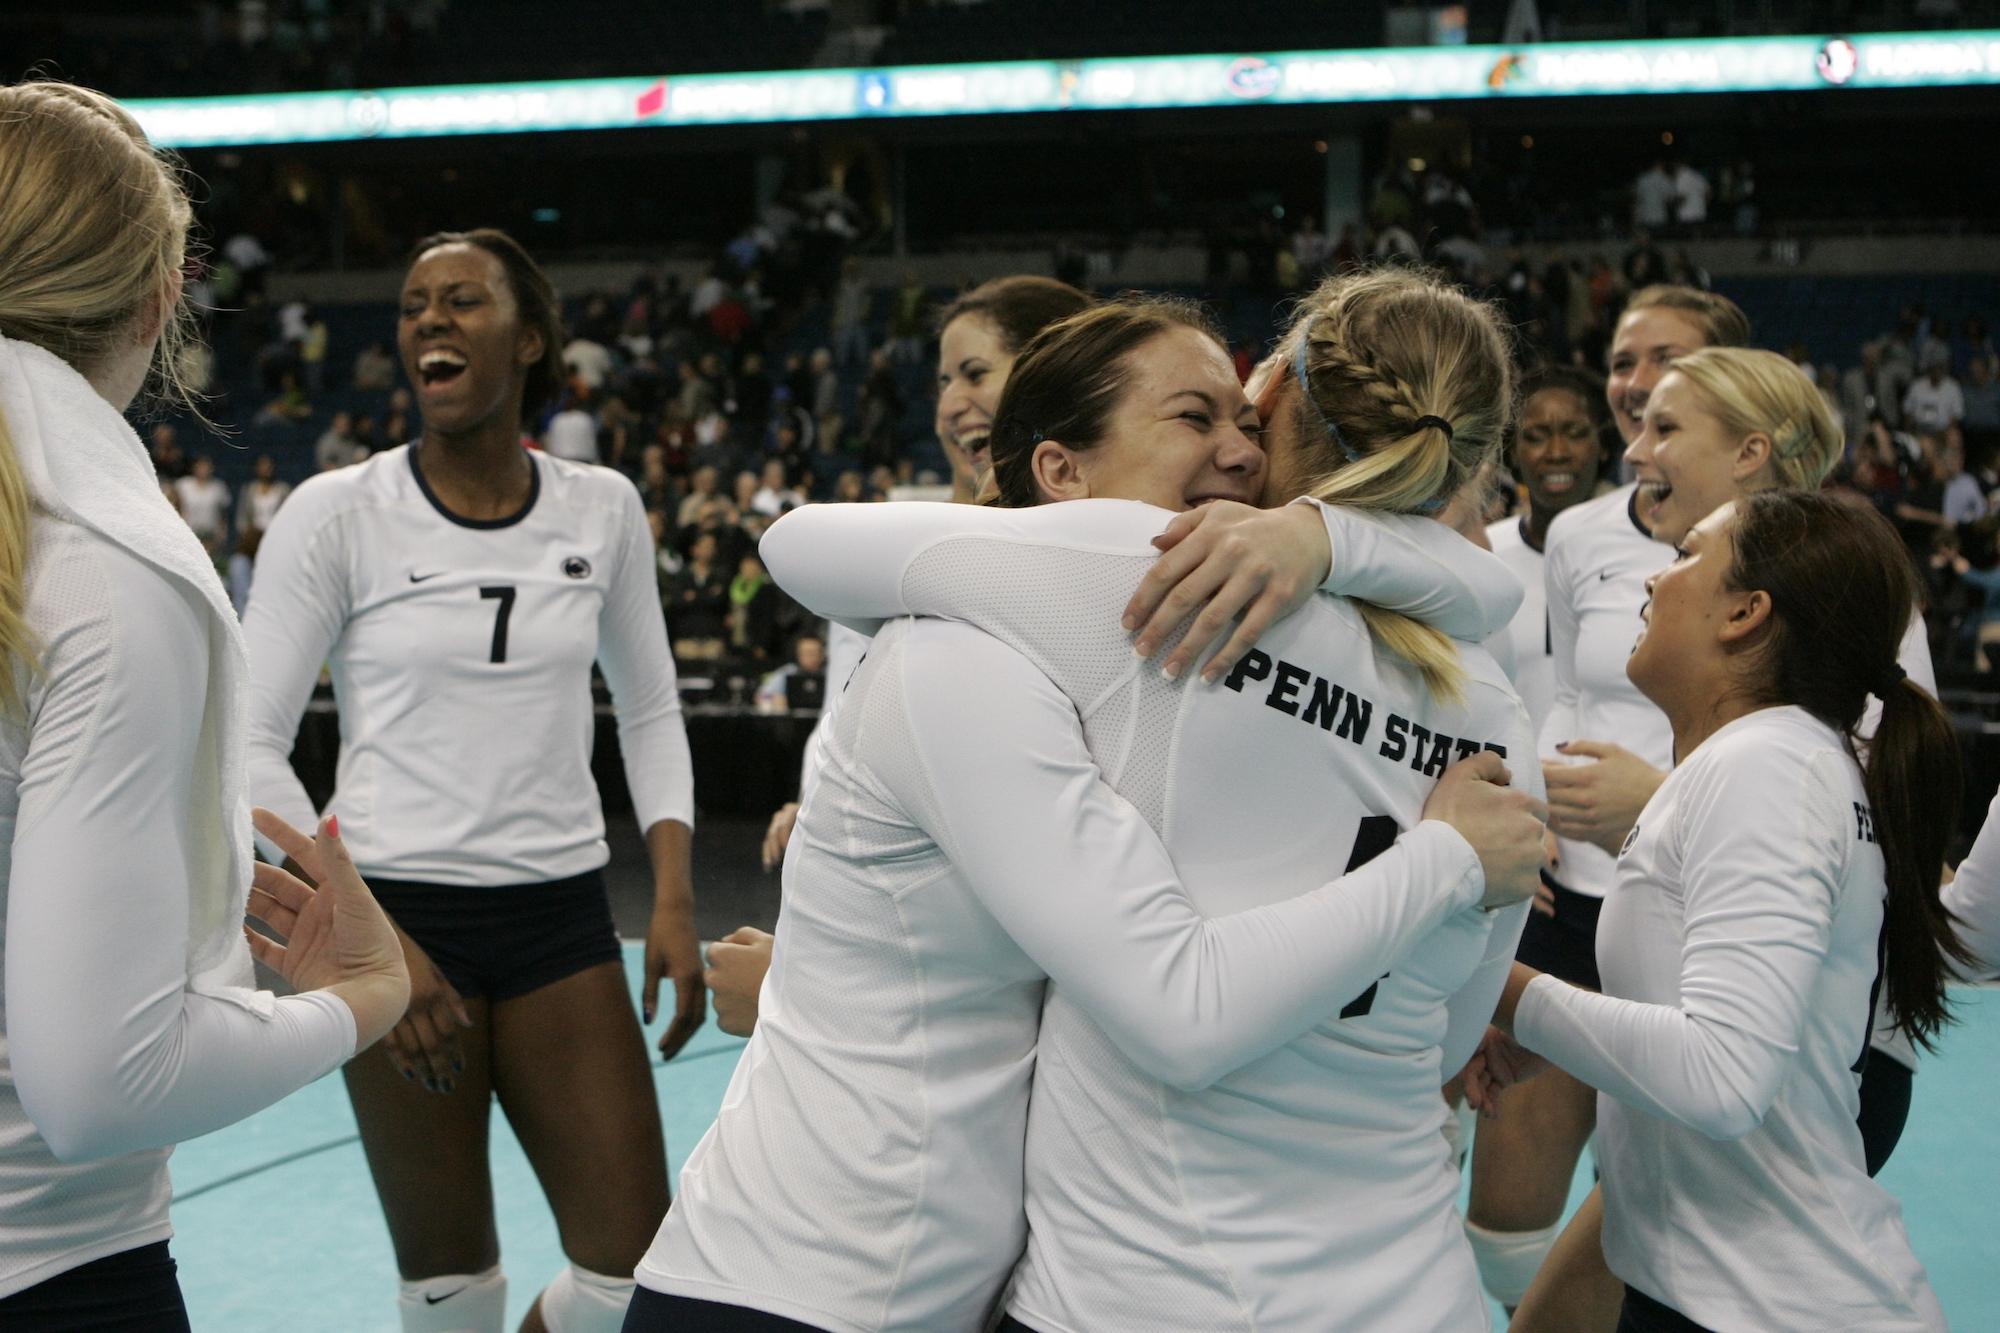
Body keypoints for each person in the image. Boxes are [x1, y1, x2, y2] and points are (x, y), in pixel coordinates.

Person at [647, 278, 1547, 1332]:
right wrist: (1333, 540)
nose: (1235, 452)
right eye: (1197, 417)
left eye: (1243, 416)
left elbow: (799, 544)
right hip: (1405, 1285)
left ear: (1285, 398)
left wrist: (1321, 541)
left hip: (1130, 1287)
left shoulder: (1147, 590)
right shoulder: (1499, 713)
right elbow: (1447, 1040)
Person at [0, 77, 408, 1325]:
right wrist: (361, 999)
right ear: (159, 299)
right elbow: (100, 1088)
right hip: (50, 1269)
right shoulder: (107, 573)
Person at [244, 228, 703, 1333]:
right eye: (413, 306)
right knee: (448, 1284)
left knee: (632, 1280)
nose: (429, 322)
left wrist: (675, 897)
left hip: (561, 923)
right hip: (396, 918)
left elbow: (649, 707)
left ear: (531, 339)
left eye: (461, 300)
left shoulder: (603, 506)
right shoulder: (337, 510)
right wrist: (368, 933)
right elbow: (247, 740)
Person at [1505, 346, 1936, 1333]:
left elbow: (1721, 1072)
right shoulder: (1761, 757)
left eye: (1684, 561)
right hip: (1709, 1283)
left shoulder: (1769, 766)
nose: (1653, 582)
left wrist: (1500, 988)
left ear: (1747, 613)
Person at [1464, 285, 1751, 1318]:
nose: (1635, 385)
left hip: (1701, 913)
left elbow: (1851, 760)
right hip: (1572, 902)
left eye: (1665, 367)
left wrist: (1657, 807)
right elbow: (1562, 699)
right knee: (1502, 1227)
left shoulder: (1816, 554)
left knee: (1663, 1223)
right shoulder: (1582, 535)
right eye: (1625, 362)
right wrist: (1533, 811)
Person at [724, 277, 1099, 1032]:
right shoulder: (885, 545)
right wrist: (821, 803)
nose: (952, 401)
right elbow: (846, 710)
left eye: (975, 372)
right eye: (943, 381)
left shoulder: (1091, 566)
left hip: (953, 988)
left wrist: (805, 987)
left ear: (1054, 378)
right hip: (862, 937)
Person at [1486, 365, 1616, 733]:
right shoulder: (1485, 553)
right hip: (1508, 767)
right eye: (1536, 436)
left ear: (1604, 446)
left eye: (1575, 434)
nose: (1557, 452)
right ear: (1513, 452)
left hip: (1616, 769)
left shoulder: (1639, 556)